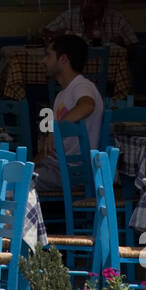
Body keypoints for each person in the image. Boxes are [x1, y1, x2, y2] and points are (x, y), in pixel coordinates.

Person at [34, 34, 104, 191]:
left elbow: (87, 105)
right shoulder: (61, 95)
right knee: (11, 175)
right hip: (56, 167)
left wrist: (56, 128)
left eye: (48, 55)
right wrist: (29, 166)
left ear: (63, 59)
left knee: (12, 184)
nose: (43, 61)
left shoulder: (82, 86)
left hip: (72, 172)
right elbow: (50, 150)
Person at [41, 0, 136, 47]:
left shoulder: (117, 19)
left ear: (104, 3)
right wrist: (57, 35)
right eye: (85, 0)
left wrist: (122, 45)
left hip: (109, 72)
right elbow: (43, 35)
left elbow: (135, 50)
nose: (88, 5)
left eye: (95, 2)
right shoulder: (69, 17)